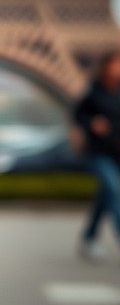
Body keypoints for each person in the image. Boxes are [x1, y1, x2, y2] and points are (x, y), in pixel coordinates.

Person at [73, 49, 120, 261]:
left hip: (117, 153)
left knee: (105, 196)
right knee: (114, 190)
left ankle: (89, 238)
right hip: (99, 152)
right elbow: (77, 114)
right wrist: (92, 123)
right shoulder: (94, 92)